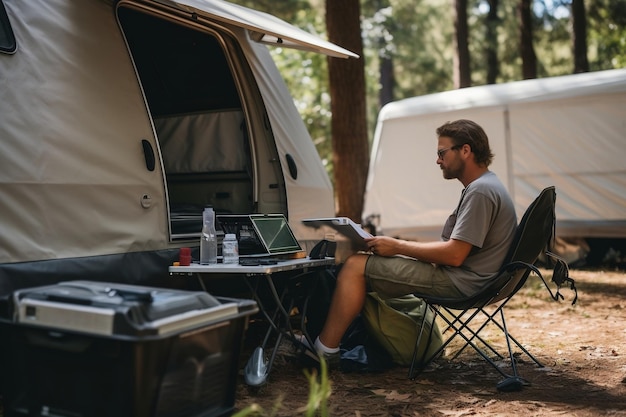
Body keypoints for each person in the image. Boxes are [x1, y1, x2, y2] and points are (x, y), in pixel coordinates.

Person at [310, 119, 518, 363]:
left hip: (464, 283)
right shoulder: (487, 186)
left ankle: (325, 351)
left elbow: (454, 255)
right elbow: (457, 250)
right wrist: (399, 248)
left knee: (355, 266)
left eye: (442, 153)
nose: (438, 160)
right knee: (366, 262)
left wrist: (397, 246)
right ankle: (352, 341)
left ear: (465, 150)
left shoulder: (481, 191)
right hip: (475, 278)